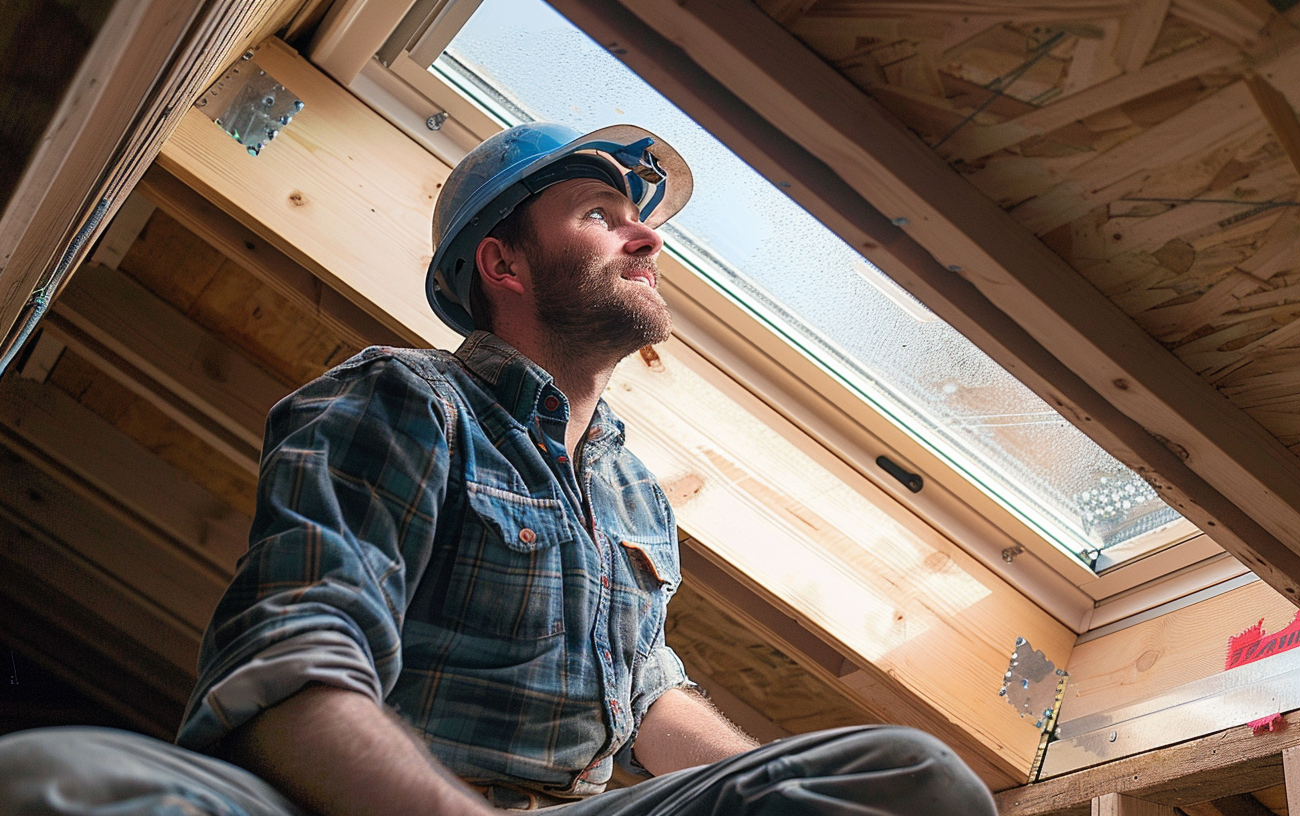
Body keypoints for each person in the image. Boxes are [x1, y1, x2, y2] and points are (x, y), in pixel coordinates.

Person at [0, 123, 996, 815]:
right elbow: (295, 660)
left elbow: (644, 692)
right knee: (57, 782)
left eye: (636, 216)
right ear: (504, 265)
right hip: (336, 803)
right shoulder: (402, 401)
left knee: (911, 778)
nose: (644, 233)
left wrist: (791, 795)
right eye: (601, 214)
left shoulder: (636, 498)